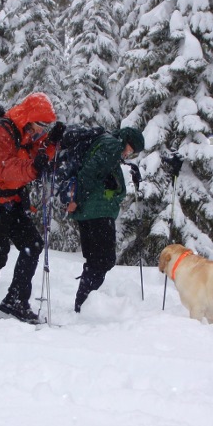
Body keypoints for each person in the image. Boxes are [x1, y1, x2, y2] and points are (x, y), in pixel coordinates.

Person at [0, 92, 63, 323]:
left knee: (32, 244)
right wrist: (34, 167)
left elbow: (36, 156)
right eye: (40, 125)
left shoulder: (25, 133)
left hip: (12, 201)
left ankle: (15, 301)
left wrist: (51, 144)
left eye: (45, 127)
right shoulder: (2, 131)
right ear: (30, 117)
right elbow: (6, 168)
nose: (41, 131)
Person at [65, 127, 145, 312]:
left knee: (96, 260)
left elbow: (97, 170)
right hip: (96, 212)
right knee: (103, 260)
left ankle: (83, 303)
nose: (128, 153)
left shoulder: (108, 145)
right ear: (125, 140)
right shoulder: (112, 145)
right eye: (130, 149)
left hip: (93, 211)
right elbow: (90, 172)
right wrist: (76, 199)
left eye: (132, 152)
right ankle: (84, 304)